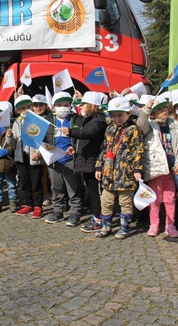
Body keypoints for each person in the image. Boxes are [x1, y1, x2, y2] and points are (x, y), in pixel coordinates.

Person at [137, 96, 178, 238]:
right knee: (155, 199)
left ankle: (170, 225)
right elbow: (140, 125)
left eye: (165, 107)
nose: (164, 111)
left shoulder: (175, 126)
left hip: (172, 170)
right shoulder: (150, 126)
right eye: (159, 109)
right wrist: (146, 109)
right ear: (153, 114)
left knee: (170, 199)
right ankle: (154, 224)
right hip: (156, 169)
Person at [95, 97, 144, 239]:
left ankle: (124, 227)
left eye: (120, 115)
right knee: (106, 201)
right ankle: (106, 226)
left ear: (129, 113)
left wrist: (137, 169)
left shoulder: (133, 129)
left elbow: (139, 151)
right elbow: (104, 149)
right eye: (114, 116)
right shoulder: (109, 129)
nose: (117, 119)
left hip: (126, 173)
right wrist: (98, 166)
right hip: (109, 173)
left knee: (125, 202)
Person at [61, 91, 108, 233]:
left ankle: (99, 219)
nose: (80, 107)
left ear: (92, 106)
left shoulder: (99, 121)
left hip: (94, 163)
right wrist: (75, 149)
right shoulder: (88, 119)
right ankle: (96, 216)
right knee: (91, 191)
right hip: (86, 161)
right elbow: (84, 141)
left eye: (83, 104)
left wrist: (71, 132)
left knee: (96, 193)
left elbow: (88, 134)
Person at [43, 92, 81, 226]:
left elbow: (81, 137)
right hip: (54, 159)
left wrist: (74, 148)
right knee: (56, 187)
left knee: (73, 187)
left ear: (71, 106)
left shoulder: (76, 119)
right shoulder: (48, 121)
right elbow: (40, 137)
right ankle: (57, 211)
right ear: (53, 107)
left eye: (66, 105)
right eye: (59, 105)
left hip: (70, 158)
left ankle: (75, 212)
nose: (63, 107)